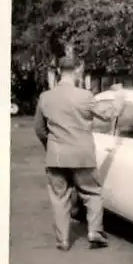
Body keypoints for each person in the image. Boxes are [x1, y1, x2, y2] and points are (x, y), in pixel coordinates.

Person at [34, 56, 114, 251]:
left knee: (59, 198)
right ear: (78, 70)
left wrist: (50, 145)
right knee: (92, 193)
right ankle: (95, 232)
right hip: (82, 155)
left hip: (56, 156)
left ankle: (63, 240)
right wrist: (118, 99)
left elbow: (39, 129)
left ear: (59, 72)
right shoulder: (85, 96)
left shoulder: (45, 97)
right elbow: (108, 115)